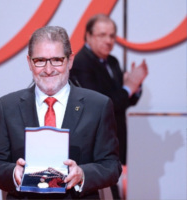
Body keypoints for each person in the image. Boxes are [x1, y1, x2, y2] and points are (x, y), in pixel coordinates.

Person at [0, 26, 122, 199]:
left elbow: (111, 166)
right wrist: (13, 173)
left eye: (57, 60)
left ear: (70, 60)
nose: (48, 69)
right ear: (29, 62)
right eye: (40, 60)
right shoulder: (7, 106)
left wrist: (82, 173)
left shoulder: (98, 106)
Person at [69, 14, 148, 198]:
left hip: (115, 140)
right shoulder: (81, 63)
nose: (108, 40)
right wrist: (129, 86)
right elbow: (101, 105)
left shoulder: (112, 61)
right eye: (102, 35)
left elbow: (124, 102)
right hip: (95, 146)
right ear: (88, 35)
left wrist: (134, 87)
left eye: (112, 36)